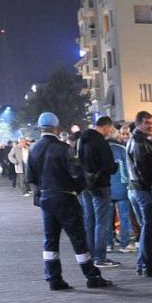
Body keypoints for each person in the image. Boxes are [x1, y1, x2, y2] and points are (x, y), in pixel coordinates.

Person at [24, 112, 110, 291]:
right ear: (56, 128)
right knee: (78, 238)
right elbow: (77, 174)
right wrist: (81, 187)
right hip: (65, 197)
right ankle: (91, 276)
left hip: (46, 199)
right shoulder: (62, 148)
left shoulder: (33, 149)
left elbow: (30, 178)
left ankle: (53, 278)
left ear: (40, 128)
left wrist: (40, 196)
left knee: (50, 240)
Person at [76, 116, 120, 269]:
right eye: (110, 129)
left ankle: (90, 254)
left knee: (90, 220)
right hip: (100, 185)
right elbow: (108, 166)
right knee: (102, 222)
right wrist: (115, 166)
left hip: (85, 185)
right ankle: (100, 257)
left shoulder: (82, 140)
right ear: (107, 127)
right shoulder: (101, 142)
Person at [127, 111, 152, 277]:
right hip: (145, 190)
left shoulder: (137, 141)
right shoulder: (140, 143)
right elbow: (147, 171)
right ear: (138, 125)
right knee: (150, 228)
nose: (151, 126)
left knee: (148, 228)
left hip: (138, 189)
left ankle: (143, 263)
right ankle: (147, 265)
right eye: (147, 123)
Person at [107, 128, 133, 254]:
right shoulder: (121, 149)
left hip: (106, 187)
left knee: (107, 218)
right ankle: (125, 243)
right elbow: (128, 169)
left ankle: (108, 243)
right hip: (121, 187)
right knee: (123, 216)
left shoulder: (102, 148)